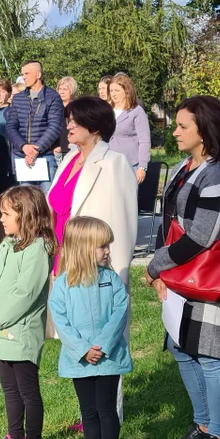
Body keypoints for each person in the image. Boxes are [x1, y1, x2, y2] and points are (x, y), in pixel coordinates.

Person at [144, 96, 220, 439]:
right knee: (181, 350)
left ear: (204, 131)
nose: (174, 131)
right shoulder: (182, 167)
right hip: (180, 274)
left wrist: (157, 265)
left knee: (211, 356)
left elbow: (202, 235)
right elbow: (166, 223)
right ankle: (203, 425)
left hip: (210, 278)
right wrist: (163, 271)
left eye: (182, 125)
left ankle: (219, 436)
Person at [47, 98, 138, 351]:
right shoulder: (68, 159)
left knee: (103, 334)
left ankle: (111, 390)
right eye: (68, 120)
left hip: (95, 264)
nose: (69, 126)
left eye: (76, 121)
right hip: (64, 257)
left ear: (95, 126)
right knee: (75, 334)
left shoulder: (114, 162)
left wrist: (118, 273)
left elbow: (125, 221)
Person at [0, 185, 55, 439]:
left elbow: (25, 295)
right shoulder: (9, 244)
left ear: (26, 215)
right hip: (0, 333)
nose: (1, 219)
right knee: (10, 389)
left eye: (7, 213)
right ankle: (16, 438)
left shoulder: (38, 249)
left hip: (20, 333)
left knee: (28, 391)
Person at [49, 217, 132, 439]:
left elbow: (120, 312)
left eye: (108, 244)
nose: (108, 250)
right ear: (82, 248)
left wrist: (103, 346)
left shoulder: (111, 280)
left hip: (109, 358)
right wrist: (83, 350)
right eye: (102, 246)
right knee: (88, 411)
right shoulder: (63, 285)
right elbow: (61, 321)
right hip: (80, 360)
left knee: (106, 408)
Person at [5, 61, 64, 191]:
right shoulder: (18, 98)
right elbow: (11, 126)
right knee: (27, 202)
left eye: (27, 73)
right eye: (22, 74)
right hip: (22, 157)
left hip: (45, 156)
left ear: (38, 74)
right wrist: (24, 146)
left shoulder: (53, 97)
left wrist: (36, 149)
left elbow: (55, 126)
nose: (24, 77)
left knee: (48, 202)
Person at [107, 74, 151, 185]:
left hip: (130, 163)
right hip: (108, 162)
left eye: (117, 90)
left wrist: (142, 167)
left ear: (127, 91)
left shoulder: (137, 112)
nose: (113, 94)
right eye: (111, 90)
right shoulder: (106, 110)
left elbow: (144, 141)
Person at [53, 76, 79, 165]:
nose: (62, 91)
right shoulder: (54, 107)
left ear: (72, 91)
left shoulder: (77, 108)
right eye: (60, 88)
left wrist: (74, 143)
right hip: (57, 150)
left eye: (65, 89)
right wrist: (55, 145)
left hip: (73, 148)